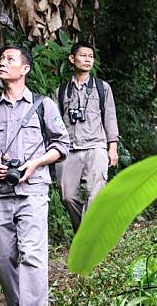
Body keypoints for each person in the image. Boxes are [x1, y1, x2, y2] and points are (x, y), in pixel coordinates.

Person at [0, 44, 69, 306]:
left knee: (33, 256)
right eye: (1, 59)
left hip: (32, 192)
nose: (2, 63)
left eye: (9, 59)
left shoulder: (43, 105)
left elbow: (62, 145)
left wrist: (35, 163)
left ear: (24, 68)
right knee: (2, 258)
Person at [54, 41, 119, 232]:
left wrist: (112, 147)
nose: (87, 59)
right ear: (72, 59)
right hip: (70, 149)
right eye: (83, 55)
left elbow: (110, 117)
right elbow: (56, 123)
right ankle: (82, 231)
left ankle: (87, 240)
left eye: (90, 56)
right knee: (67, 196)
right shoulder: (62, 91)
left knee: (95, 194)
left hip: (96, 147)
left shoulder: (102, 87)